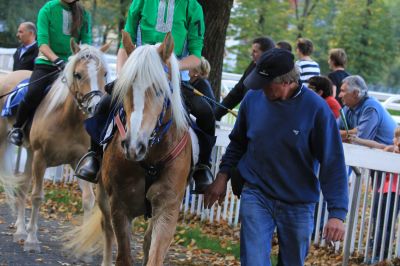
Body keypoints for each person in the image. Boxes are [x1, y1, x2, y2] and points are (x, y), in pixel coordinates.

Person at [205, 48, 349, 265]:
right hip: (257, 193)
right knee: (253, 261)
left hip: (298, 202)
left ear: (286, 82)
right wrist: (222, 176)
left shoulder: (316, 110)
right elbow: (238, 143)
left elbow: (333, 162)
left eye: (265, 83)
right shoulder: (253, 99)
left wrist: (337, 214)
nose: (259, 88)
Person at [75, 0, 214, 194]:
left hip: (171, 77)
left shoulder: (193, 7)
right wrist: (124, 73)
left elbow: (196, 56)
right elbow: (126, 44)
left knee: (205, 112)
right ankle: (95, 156)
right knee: (104, 105)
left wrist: (170, 68)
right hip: (138, 75)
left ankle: (202, 168)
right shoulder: (141, 2)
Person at [8, 0, 91, 146]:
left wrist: (78, 62)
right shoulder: (48, 9)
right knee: (33, 92)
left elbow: (87, 44)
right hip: (47, 63)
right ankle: (18, 127)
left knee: (93, 96)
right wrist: (57, 60)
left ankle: (92, 147)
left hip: (73, 66)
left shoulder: (84, 14)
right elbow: (43, 44)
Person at [350, 127, 400, 259]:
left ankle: (382, 254)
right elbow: (376, 145)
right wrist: (359, 140)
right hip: (381, 191)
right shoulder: (390, 149)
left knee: (387, 224)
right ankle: (375, 249)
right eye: (395, 137)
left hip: (394, 194)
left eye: (398, 137)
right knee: (377, 221)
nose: (395, 140)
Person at [214, 37, 275, 121]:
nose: (251, 54)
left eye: (255, 51)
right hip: (246, 116)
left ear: (266, 53)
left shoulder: (274, 72)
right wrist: (216, 113)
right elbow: (238, 91)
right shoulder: (253, 65)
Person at [338, 75, 396, 145]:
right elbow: (331, 130)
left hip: (389, 153)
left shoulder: (371, 108)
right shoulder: (348, 107)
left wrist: (345, 134)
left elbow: (360, 141)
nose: (339, 95)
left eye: (343, 91)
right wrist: (353, 131)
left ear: (355, 93)